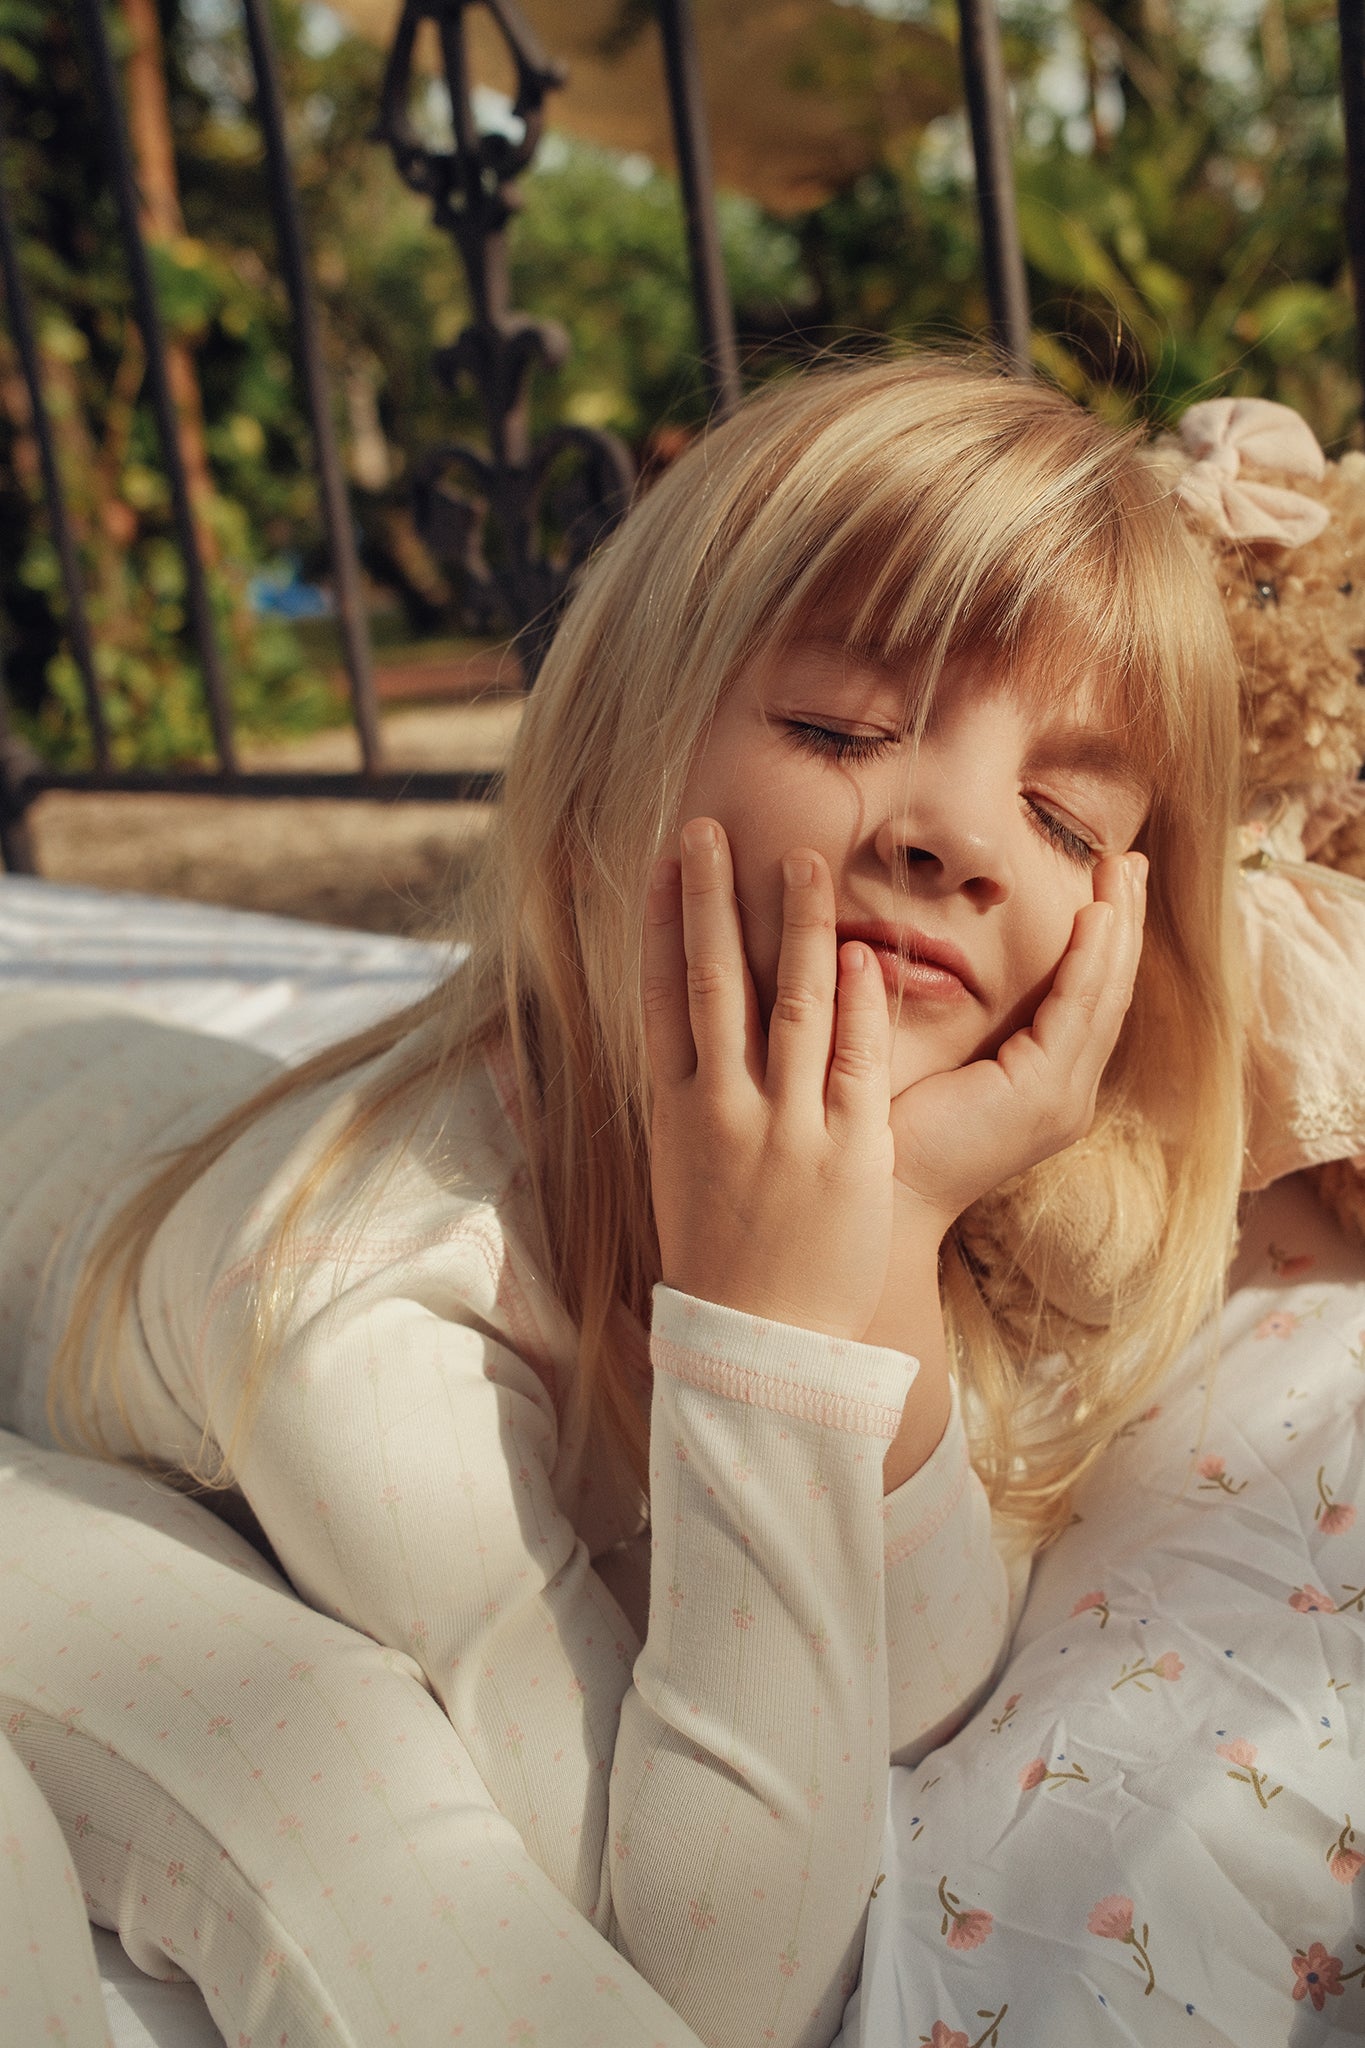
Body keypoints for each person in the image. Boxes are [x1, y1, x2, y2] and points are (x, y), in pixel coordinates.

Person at [0, 353, 1244, 2048]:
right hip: (72, 1142)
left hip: (134, 1099)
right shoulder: (367, 1294)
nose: (960, 836)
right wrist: (766, 1340)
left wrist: (876, 1259)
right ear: (609, 763)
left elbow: (917, 1685)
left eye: (1061, 814)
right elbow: (714, 1974)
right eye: (839, 727)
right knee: (324, 1765)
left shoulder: (890, 1170)